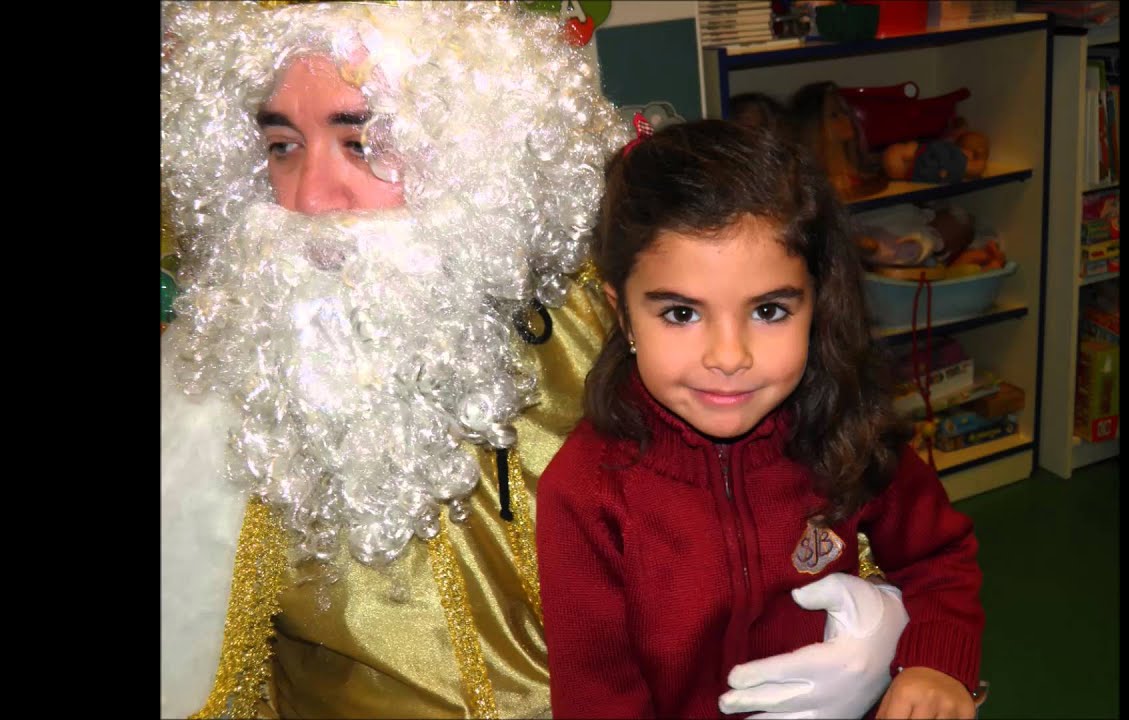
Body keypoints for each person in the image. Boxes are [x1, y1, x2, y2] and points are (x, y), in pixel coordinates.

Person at [160, 3, 907, 718]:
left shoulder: (614, 317)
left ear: (467, 144)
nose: (312, 198)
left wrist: (884, 624)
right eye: (281, 145)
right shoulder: (221, 372)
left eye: (364, 141)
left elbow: (814, 480)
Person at [537, 120, 985, 719]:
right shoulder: (586, 491)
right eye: (680, 313)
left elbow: (941, 558)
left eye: (769, 310)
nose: (729, 358)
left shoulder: (847, 425)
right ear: (623, 317)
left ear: (815, 305)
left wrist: (933, 662)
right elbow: (598, 698)